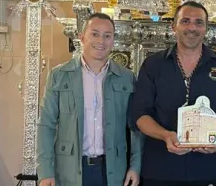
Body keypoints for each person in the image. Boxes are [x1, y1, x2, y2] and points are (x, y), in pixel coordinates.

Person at [129, 1, 216, 186]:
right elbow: (140, 114)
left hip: (207, 168)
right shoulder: (152, 65)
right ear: (174, 26)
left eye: (199, 22)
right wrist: (166, 135)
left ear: (206, 28)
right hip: (160, 168)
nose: (192, 27)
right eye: (185, 21)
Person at [36, 13, 143, 186]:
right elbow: (46, 125)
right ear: (82, 37)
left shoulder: (126, 78)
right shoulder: (59, 76)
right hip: (69, 171)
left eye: (107, 36)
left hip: (113, 172)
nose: (101, 41)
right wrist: (45, 172)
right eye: (95, 34)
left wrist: (135, 166)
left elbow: (136, 127)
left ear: (113, 40)